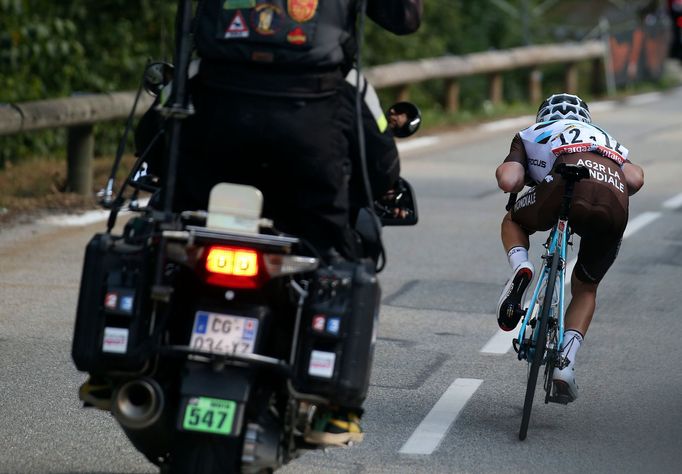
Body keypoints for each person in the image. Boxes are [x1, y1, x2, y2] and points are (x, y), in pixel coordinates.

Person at [165, 0, 423, 445]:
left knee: (166, 233)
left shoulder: (194, 80)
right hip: (313, 124)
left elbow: (152, 138)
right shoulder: (348, 88)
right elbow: (404, 19)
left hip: (215, 111)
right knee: (339, 264)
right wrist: (381, 188)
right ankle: (337, 407)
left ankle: (126, 364)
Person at [495, 93, 644, 402]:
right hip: (612, 201)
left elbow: (510, 180)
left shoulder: (531, 133)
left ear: (543, 115)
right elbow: (636, 178)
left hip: (561, 191)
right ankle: (566, 364)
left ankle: (521, 266)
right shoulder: (604, 137)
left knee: (513, 221)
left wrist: (529, 173)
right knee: (586, 288)